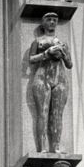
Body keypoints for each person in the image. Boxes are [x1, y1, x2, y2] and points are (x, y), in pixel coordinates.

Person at [28, 12, 72, 154]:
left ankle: (56, 146)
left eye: (54, 20)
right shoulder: (38, 41)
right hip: (42, 77)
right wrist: (47, 53)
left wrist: (63, 53)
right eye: (49, 19)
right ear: (43, 23)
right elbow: (31, 59)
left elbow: (69, 64)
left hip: (60, 78)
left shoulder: (62, 43)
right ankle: (42, 148)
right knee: (43, 113)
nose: (52, 22)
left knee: (58, 114)